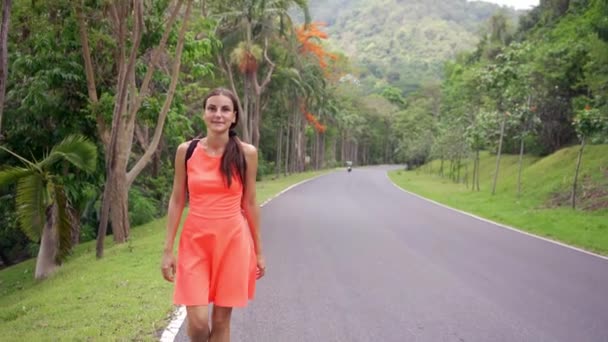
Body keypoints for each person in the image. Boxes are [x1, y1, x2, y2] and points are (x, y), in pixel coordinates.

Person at [161, 88, 266, 341]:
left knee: (220, 321)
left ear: (234, 117)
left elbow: (250, 202)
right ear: (204, 114)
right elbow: (177, 199)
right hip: (195, 243)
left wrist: (259, 252)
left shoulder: (246, 153)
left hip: (232, 242)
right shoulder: (186, 151)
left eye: (225, 109)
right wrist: (167, 250)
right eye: (212, 108)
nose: (218, 114)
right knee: (197, 324)